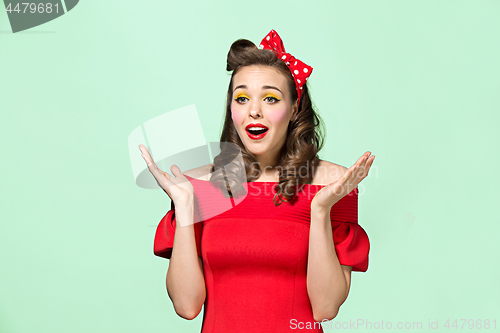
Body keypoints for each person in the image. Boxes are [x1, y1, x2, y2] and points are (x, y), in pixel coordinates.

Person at [139, 29, 375, 333]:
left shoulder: (334, 183)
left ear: (293, 109)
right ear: (232, 109)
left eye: (270, 98)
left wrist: (319, 210)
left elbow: (325, 307)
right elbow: (186, 306)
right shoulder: (197, 185)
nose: (254, 111)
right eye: (242, 98)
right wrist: (184, 206)